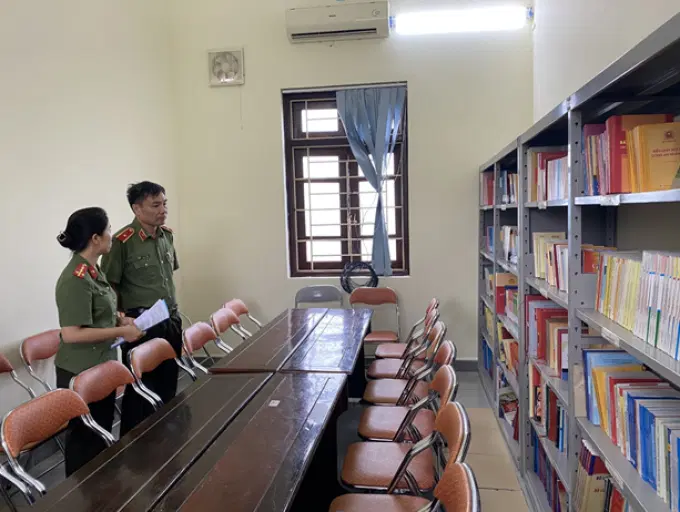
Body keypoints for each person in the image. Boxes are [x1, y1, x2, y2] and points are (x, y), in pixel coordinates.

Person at [55, 207, 143, 476]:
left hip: (100, 363)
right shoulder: (74, 279)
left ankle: (102, 490)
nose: (111, 236)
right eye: (108, 230)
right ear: (95, 238)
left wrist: (121, 321)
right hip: (80, 369)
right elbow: (71, 333)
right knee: (84, 439)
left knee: (100, 431)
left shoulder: (92, 271)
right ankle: (80, 492)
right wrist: (120, 332)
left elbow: (99, 312)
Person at [101, 181, 181, 435]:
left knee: (168, 381)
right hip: (141, 325)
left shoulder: (167, 236)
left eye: (164, 204)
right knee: (140, 389)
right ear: (137, 209)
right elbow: (108, 285)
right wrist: (120, 320)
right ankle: (135, 443)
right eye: (155, 205)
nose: (163, 210)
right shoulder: (122, 242)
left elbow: (168, 274)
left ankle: (166, 436)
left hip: (170, 318)